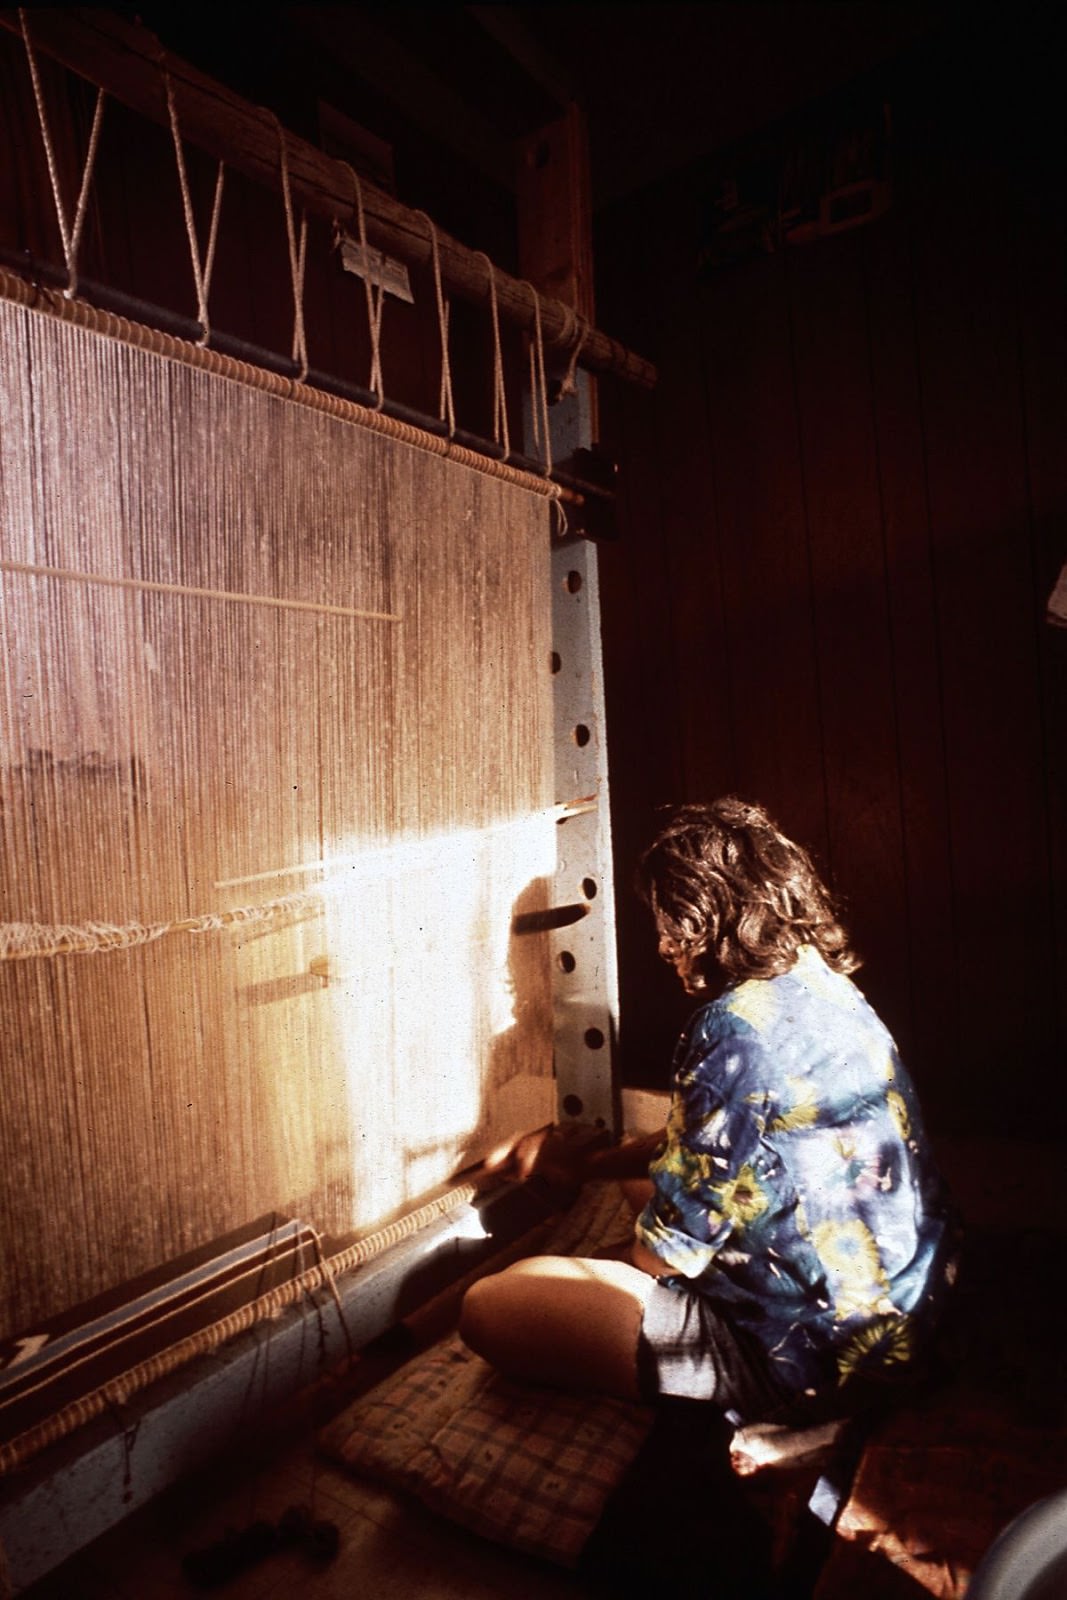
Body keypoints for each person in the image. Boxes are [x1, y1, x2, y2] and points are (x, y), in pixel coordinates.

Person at [460, 797, 956, 1426]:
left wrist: (589, 1268)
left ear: (699, 917)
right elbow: (717, 1148)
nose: (664, 944)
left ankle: (821, 1422)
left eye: (666, 921)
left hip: (817, 1357)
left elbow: (659, 1260)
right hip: (907, 1305)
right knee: (644, 1174)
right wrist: (584, 1166)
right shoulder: (824, 984)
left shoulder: (731, 1032)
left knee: (493, 1303)